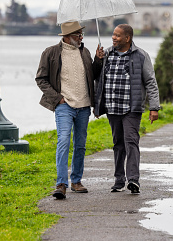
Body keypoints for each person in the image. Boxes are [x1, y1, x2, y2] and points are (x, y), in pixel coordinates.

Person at [36, 20, 103, 199]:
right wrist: (58, 99)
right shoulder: (50, 53)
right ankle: (61, 184)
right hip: (64, 105)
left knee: (80, 145)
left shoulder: (85, 51)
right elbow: (41, 79)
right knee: (64, 141)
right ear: (66, 37)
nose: (81, 37)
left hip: (83, 106)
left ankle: (76, 181)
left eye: (81, 34)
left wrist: (98, 60)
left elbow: (93, 75)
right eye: (77, 35)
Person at [93, 24, 161, 194]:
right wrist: (98, 60)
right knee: (118, 143)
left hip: (132, 107)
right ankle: (118, 180)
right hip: (112, 106)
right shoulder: (106, 54)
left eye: (117, 35)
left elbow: (150, 82)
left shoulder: (141, 56)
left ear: (127, 38)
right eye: (113, 35)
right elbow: (95, 77)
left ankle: (133, 180)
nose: (113, 38)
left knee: (131, 141)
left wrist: (154, 107)